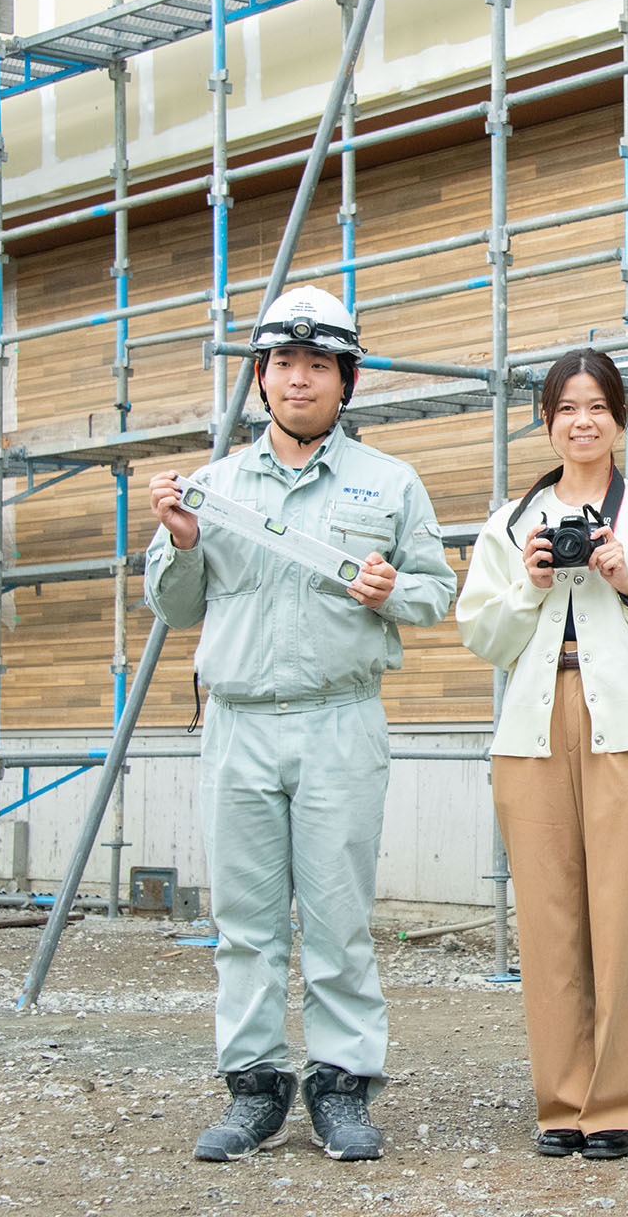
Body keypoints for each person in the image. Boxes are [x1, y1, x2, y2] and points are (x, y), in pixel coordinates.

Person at [146, 284, 459, 1163]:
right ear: (261, 376)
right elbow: (174, 607)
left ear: (345, 381)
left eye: (318, 364)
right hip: (239, 723)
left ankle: (341, 1085)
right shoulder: (210, 489)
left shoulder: (389, 483)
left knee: (336, 918)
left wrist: (396, 591)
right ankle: (252, 1087)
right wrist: (177, 538)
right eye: (284, 362)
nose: (299, 379)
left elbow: (439, 592)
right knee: (245, 920)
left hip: (339, 721)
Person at [455, 348, 628, 1162]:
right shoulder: (508, 523)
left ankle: (618, 1107)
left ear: (620, 418)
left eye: (597, 405)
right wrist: (531, 581)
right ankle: (561, 1101)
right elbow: (482, 637)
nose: (582, 420)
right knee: (550, 923)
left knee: (626, 920)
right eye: (565, 407)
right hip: (531, 733)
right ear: (546, 421)